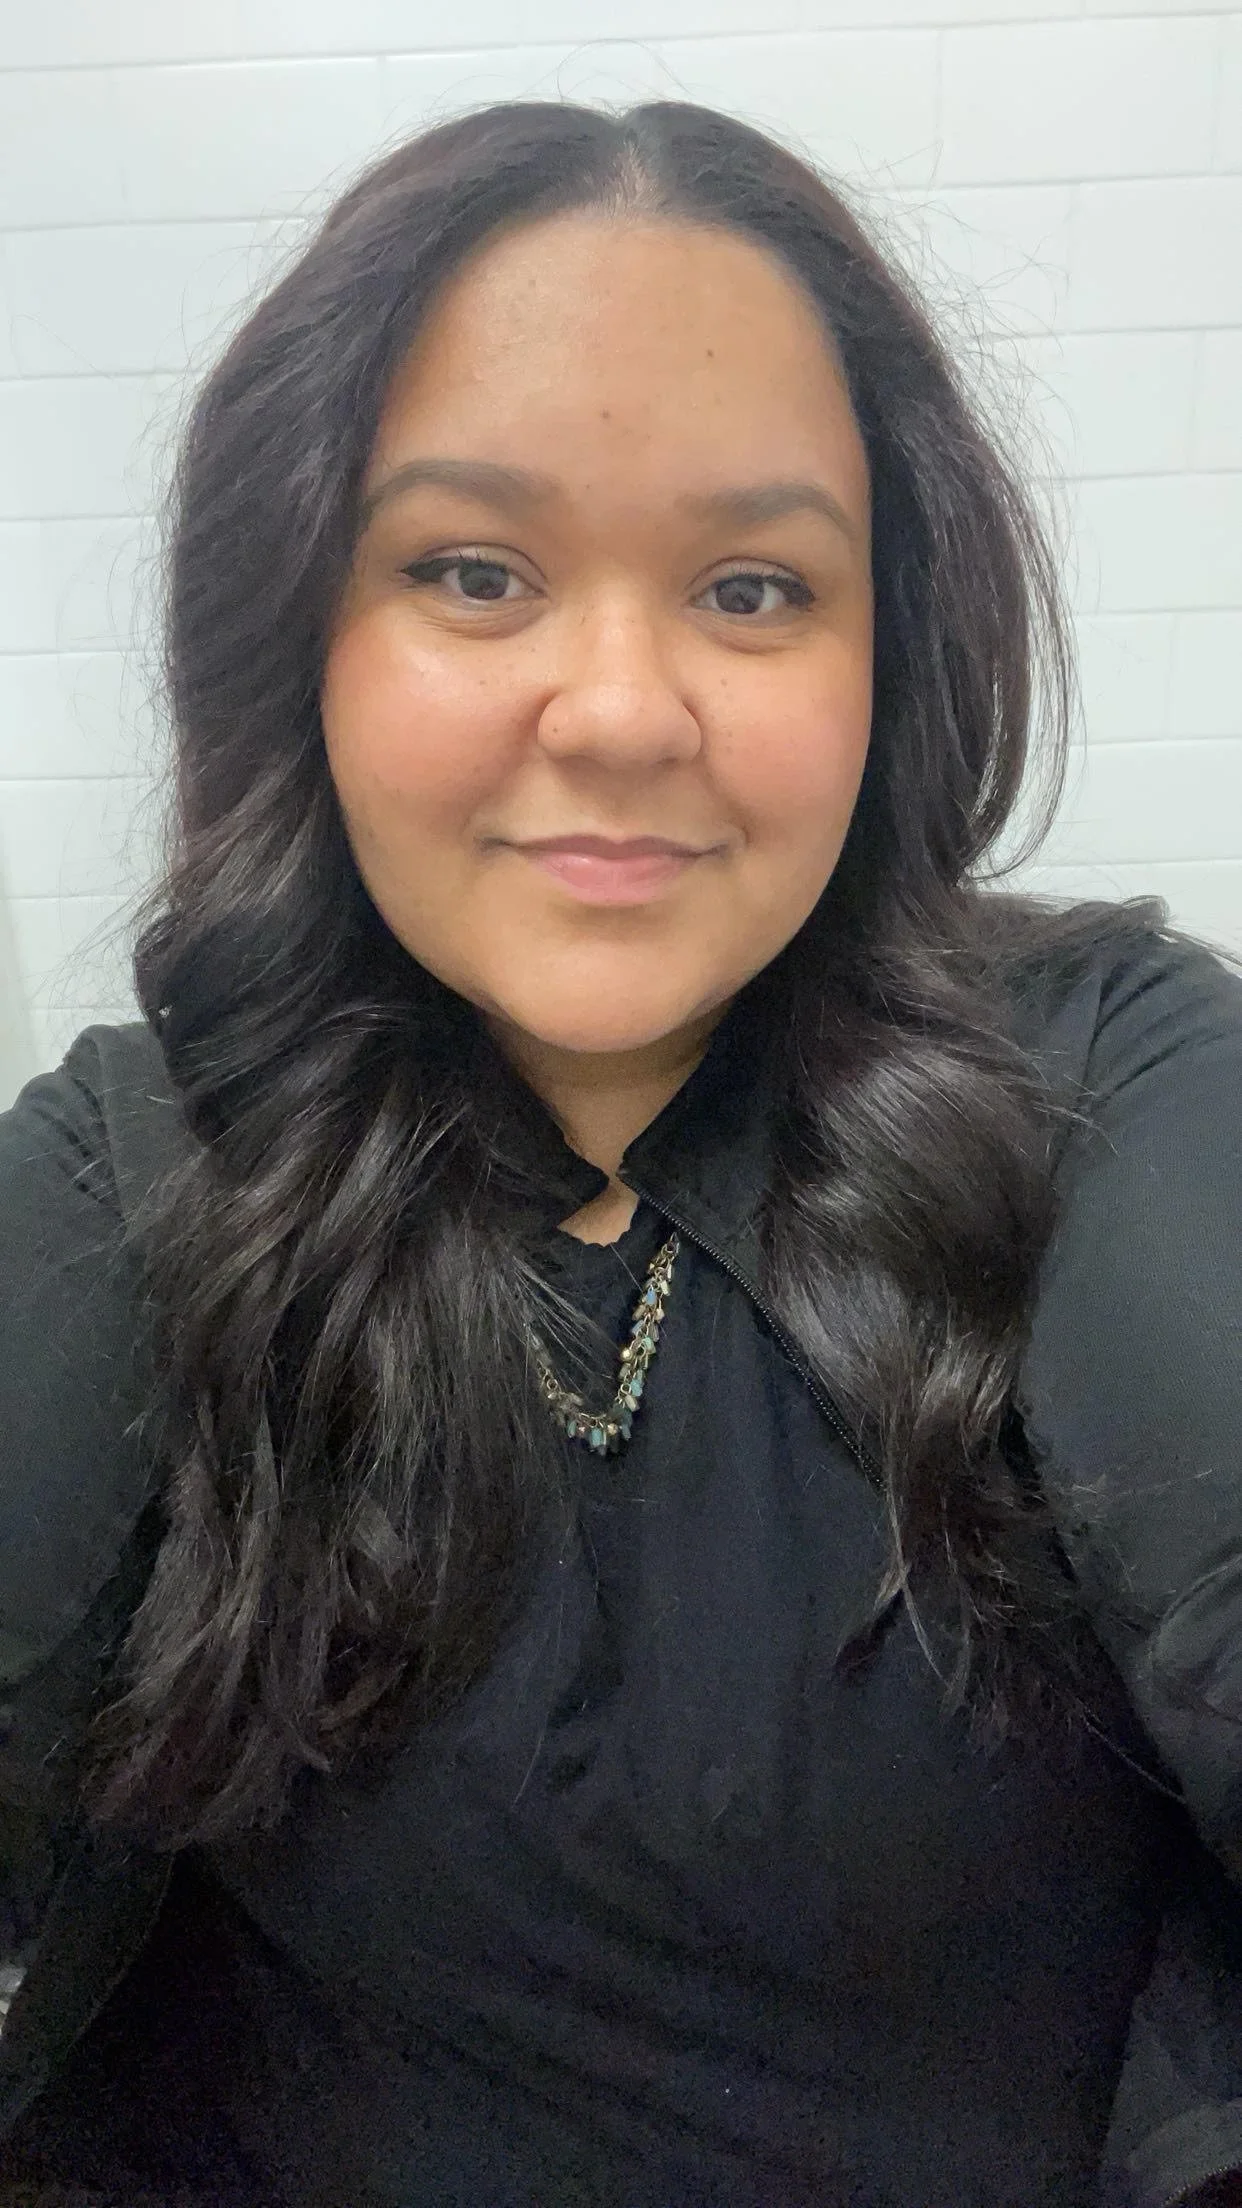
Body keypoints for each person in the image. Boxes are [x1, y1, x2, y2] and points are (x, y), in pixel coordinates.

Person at [0, 97, 1239, 2208]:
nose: (620, 706)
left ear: (888, 651)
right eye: (474, 571)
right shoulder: (143, 1166)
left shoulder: (1103, 1074)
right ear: (300, 623)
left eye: (754, 587)